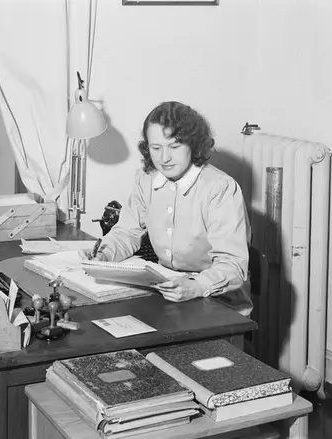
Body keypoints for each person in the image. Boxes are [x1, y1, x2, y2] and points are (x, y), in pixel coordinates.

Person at [82, 101, 253, 316]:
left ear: (193, 144)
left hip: (219, 304)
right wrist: (103, 256)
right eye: (156, 148)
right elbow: (127, 232)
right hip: (169, 295)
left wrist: (196, 286)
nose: (164, 158)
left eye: (174, 146)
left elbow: (233, 265)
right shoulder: (146, 179)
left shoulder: (220, 188)